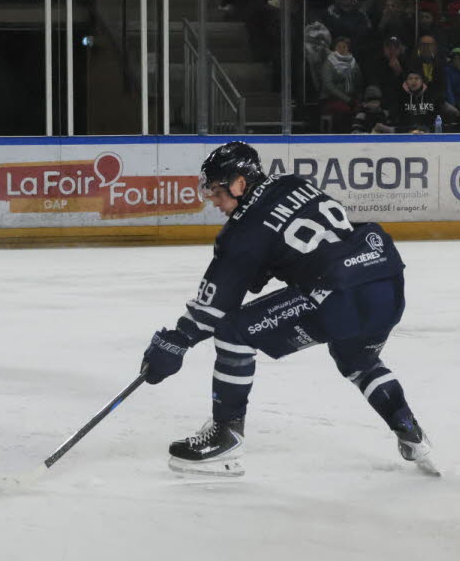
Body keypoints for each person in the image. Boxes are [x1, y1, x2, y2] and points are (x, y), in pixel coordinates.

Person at [139, 141, 436, 477]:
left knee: (233, 332)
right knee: (358, 359)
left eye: (218, 192)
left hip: (338, 294)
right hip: (386, 280)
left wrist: (176, 340)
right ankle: (409, 430)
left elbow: (214, 308)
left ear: (240, 183)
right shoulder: (292, 182)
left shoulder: (241, 233)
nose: (214, 201)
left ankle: (226, 438)